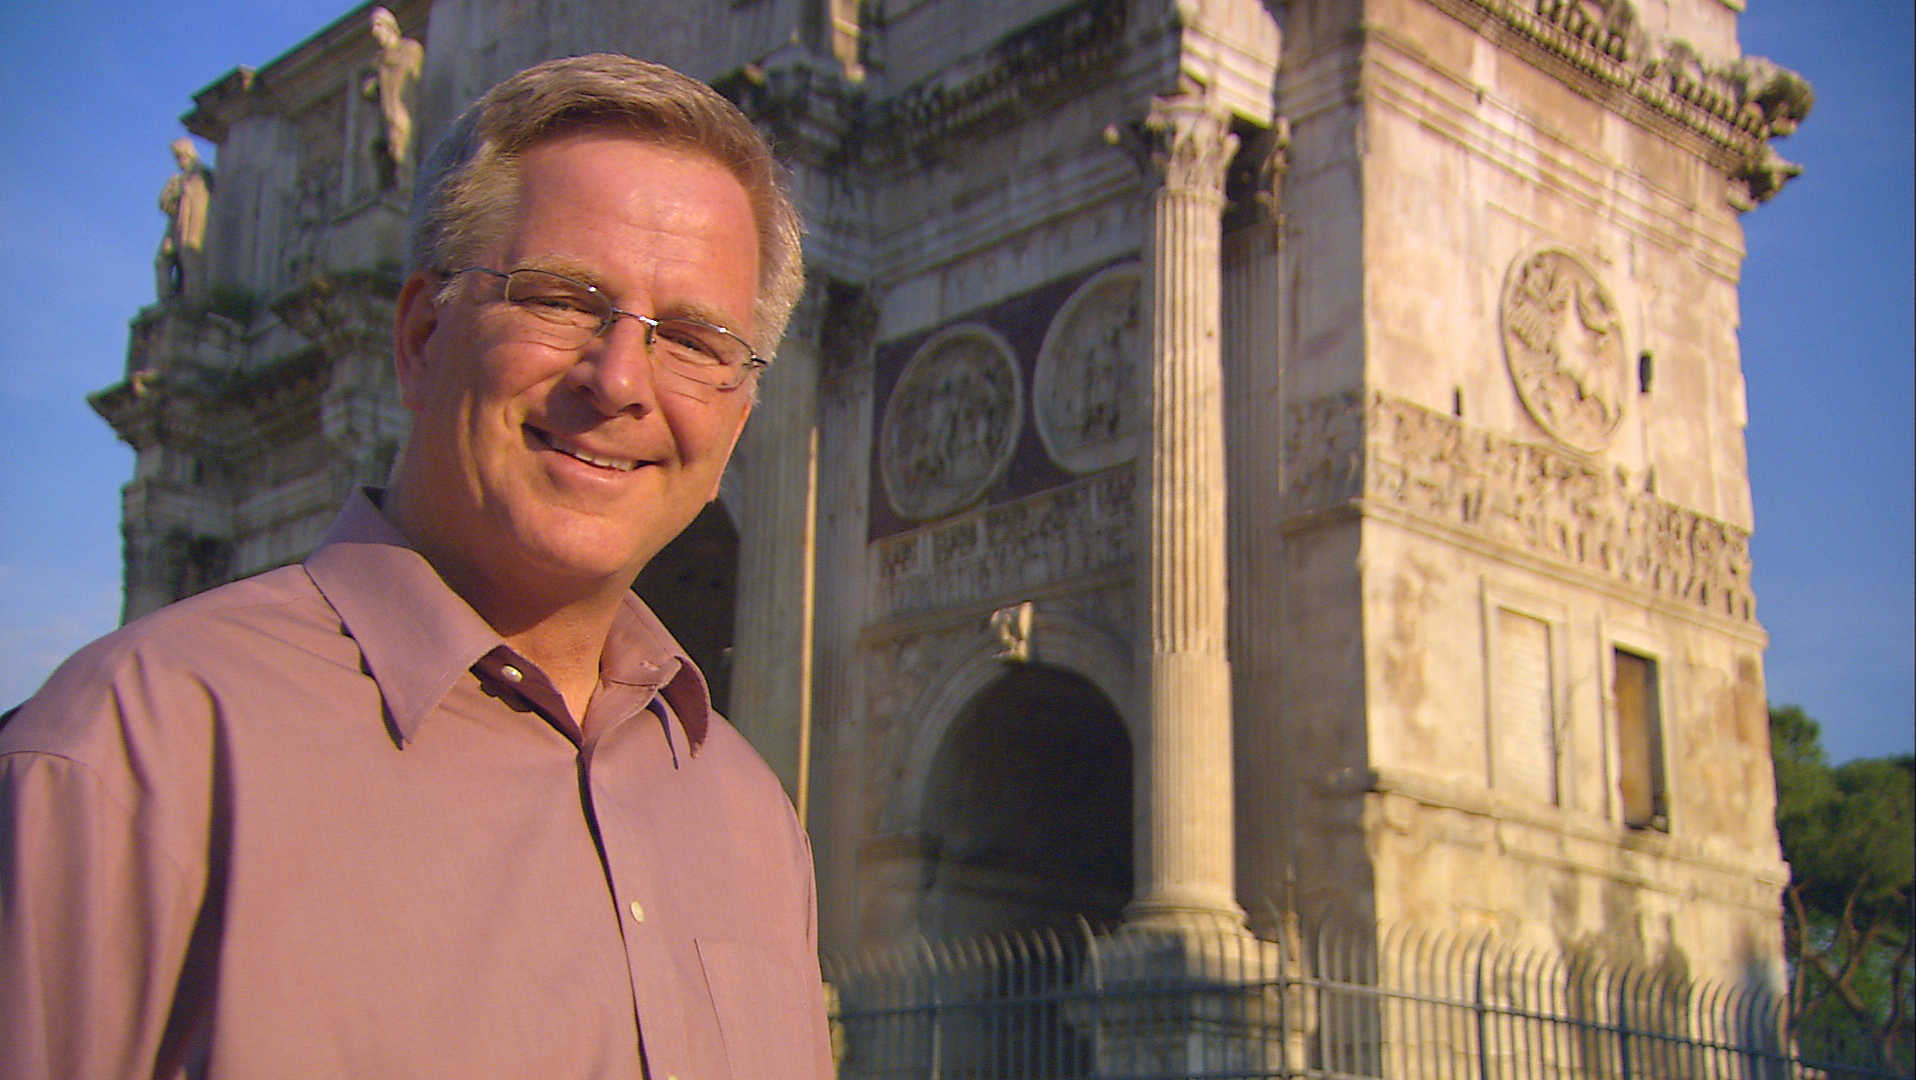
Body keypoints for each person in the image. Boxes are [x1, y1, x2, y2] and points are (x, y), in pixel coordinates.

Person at [0, 54, 825, 1080]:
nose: (619, 380)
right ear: (422, 334)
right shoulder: (126, 756)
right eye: (562, 299)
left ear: (740, 419)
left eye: (695, 339)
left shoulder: (752, 822)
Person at [363, 6, 423, 188]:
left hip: (401, 106)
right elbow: (368, 88)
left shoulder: (409, 48)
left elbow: (413, 72)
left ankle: (405, 187)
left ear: (390, 26)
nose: (375, 31)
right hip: (382, 112)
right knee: (373, 149)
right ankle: (381, 188)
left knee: (400, 146)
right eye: (373, 26)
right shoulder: (376, 60)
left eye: (379, 25)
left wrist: (386, 66)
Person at [155, 136, 211, 298]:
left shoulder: (202, 174)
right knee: (162, 260)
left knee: (190, 258)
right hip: (175, 226)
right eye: (177, 157)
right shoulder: (177, 180)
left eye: (182, 156)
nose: (180, 161)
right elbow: (164, 204)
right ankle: (167, 301)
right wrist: (173, 192)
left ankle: (194, 298)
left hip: (193, 228)